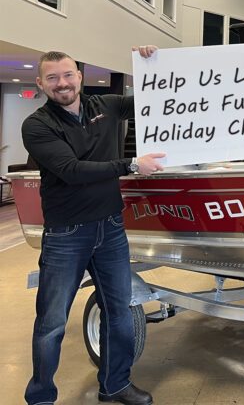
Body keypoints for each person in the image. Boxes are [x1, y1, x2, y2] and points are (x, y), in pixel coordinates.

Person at [22, 47, 165, 405]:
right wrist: (131, 165)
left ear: (80, 77)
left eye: (68, 74)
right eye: (52, 78)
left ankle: (115, 385)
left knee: (119, 313)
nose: (62, 83)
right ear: (40, 84)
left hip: (111, 228)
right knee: (52, 323)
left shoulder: (108, 105)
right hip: (66, 235)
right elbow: (71, 171)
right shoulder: (37, 126)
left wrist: (152, 63)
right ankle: (41, 398)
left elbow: (159, 94)